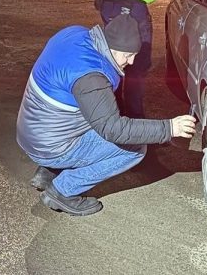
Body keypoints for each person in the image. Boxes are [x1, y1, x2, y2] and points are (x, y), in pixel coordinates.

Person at [16, 13, 196, 216]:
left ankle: (48, 171)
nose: (132, 61)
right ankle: (62, 190)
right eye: (127, 55)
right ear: (111, 47)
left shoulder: (74, 34)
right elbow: (113, 129)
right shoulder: (92, 78)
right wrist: (169, 128)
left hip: (33, 131)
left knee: (94, 114)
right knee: (134, 149)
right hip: (50, 146)